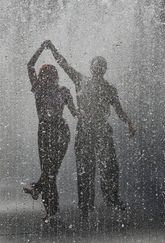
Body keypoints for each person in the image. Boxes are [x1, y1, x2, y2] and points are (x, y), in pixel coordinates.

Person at [46, 40, 136, 219]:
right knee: (85, 168)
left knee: (110, 166)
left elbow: (118, 110)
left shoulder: (110, 89)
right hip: (85, 130)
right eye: (96, 65)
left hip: (102, 130)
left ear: (105, 70)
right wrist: (53, 49)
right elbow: (64, 65)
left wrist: (130, 123)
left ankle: (112, 199)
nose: (99, 68)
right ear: (91, 67)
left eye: (102, 66)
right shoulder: (80, 80)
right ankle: (86, 206)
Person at [23, 41, 78, 222]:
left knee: (51, 169)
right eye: (43, 75)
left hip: (60, 131)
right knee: (49, 171)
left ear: (55, 76)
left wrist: (83, 113)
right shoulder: (38, 89)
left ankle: (38, 190)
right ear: (40, 77)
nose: (46, 77)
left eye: (49, 74)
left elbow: (75, 112)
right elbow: (30, 65)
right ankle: (50, 209)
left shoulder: (64, 91)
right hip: (45, 131)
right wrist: (42, 48)